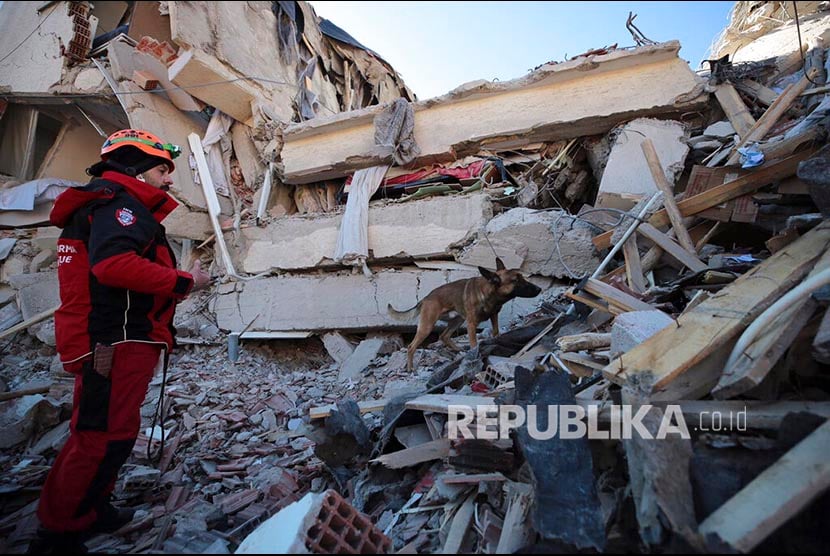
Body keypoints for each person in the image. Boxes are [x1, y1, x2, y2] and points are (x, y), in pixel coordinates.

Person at [31, 129, 211, 552]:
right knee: (96, 435)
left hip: (118, 340)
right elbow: (113, 266)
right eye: (162, 171)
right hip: (113, 342)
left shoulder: (104, 205)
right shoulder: (120, 205)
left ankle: (94, 509)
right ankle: (57, 533)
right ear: (135, 168)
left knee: (117, 430)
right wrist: (186, 281)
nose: (168, 181)